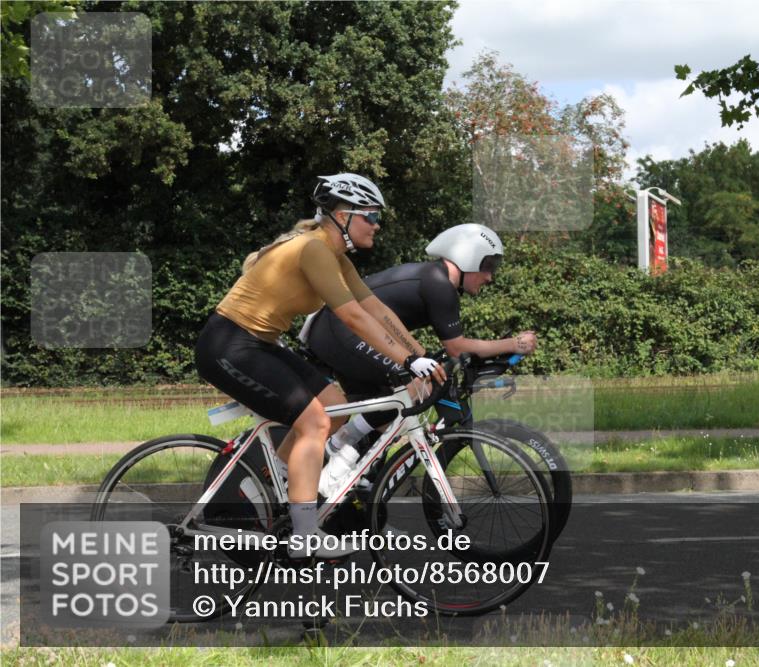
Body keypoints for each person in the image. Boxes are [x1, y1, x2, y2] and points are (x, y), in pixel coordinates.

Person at [194, 173, 445, 559]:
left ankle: (274, 479)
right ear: (343, 216)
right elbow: (353, 318)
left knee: (334, 405)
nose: (377, 226)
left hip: (259, 343)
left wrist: (421, 353)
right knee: (314, 422)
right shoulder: (313, 250)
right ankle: (304, 535)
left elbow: (374, 308)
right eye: (371, 217)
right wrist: (408, 360)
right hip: (228, 344)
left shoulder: (335, 256)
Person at [299, 223, 537, 454]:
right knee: (419, 384)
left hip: (338, 330)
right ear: (468, 257)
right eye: (488, 265)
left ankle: (359, 480)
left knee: (386, 420)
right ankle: (337, 446)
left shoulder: (437, 279)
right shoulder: (439, 284)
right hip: (339, 329)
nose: (490, 277)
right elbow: (456, 347)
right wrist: (514, 344)